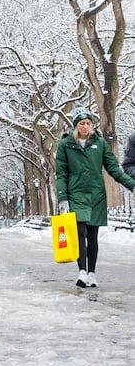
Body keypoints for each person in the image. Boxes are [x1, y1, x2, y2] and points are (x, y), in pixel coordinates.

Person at [56, 108, 135, 289]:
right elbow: (61, 173)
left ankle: (92, 273)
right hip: (76, 194)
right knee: (80, 232)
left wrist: (132, 185)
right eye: (81, 124)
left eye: (88, 123)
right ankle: (82, 272)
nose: (85, 127)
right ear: (75, 126)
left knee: (92, 235)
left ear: (91, 125)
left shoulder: (100, 144)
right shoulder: (66, 145)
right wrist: (62, 197)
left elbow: (113, 169)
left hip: (96, 195)